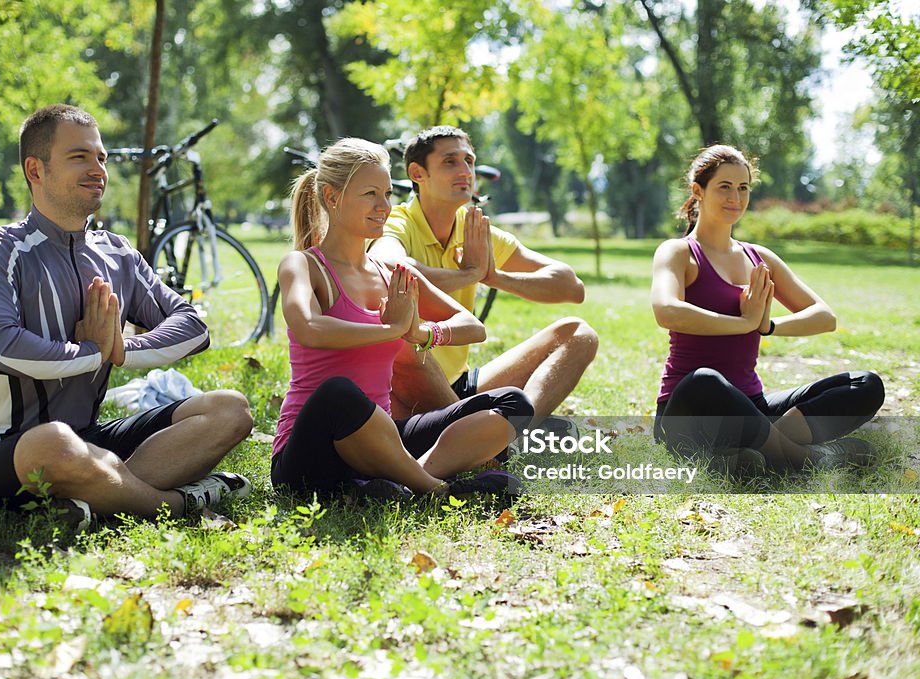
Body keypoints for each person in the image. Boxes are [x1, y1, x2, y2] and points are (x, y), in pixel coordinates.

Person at [0, 104, 254, 530]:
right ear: (35, 170)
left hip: (89, 437)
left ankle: (95, 495)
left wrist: (121, 349)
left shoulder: (116, 253)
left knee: (231, 410)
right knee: (55, 444)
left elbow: (192, 326)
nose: (98, 169)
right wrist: (94, 351)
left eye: (101, 158)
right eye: (79, 156)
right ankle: (171, 504)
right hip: (6, 452)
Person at [272, 137, 534, 498]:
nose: (384, 206)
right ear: (332, 197)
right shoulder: (303, 265)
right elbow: (309, 327)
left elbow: (473, 327)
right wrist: (392, 328)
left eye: (387, 194)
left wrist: (421, 332)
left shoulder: (389, 271)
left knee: (512, 403)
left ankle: (402, 481)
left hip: (382, 443)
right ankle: (435, 489)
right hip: (312, 451)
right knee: (337, 393)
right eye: (370, 194)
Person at [650, 144, 884, 474]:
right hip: (689, 410)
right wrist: (743, 321)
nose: (736, 197)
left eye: (743, 187)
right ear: (697, 191)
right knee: (704, 380)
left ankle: (756, 452)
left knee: (865, 383)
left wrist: (767, 326)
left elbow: (824, 316)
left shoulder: (759, 258)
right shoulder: (678, 253)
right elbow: (666, 310)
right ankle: (809, 459)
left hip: (752, 407)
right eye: (725, 187)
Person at [368, 126, 598, 422]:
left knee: (579, 334)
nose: (465, 171)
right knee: (405, 349)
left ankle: (512, 434)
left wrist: (493, 277)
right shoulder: (400, 222)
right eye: (450, 162)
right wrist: (468, 275)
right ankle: (475, 431)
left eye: (469, 161)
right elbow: (385, 266)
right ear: (417, 173)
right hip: (410, 384)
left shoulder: (474, 227)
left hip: (460, 384)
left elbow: (572, 287)